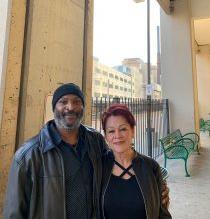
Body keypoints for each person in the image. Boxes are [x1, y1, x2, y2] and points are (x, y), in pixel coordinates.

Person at [4, 83, 170, 218]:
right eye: (63, 102)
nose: (71, 107)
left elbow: (118, 162)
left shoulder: (95, 141)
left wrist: (154, 190)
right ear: (54, 108)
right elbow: (14, 212)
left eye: (77, 101)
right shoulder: (28, 155)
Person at [100, 103, 172, 219]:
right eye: (111, 131)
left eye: (123, 129)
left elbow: (163, 214)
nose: (117, 135)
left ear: (132, 131)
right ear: (106, 136)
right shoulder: (98, 167)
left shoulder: (151, 167)